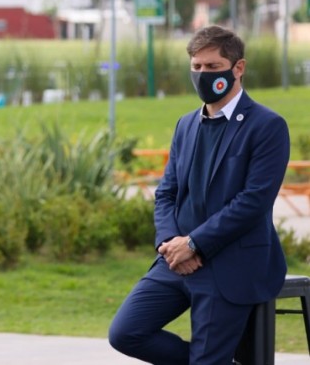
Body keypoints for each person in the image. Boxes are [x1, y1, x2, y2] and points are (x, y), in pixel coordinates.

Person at [108, 25, 290, 364]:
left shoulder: (267, 126)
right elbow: (166, 192)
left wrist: (195, 243)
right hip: (177, 261)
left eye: (212, 66)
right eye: (196, 67)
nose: (203, 74)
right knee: (125, 333)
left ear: (238, 68)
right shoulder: (186, 124)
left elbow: (253, 202)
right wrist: (170, 243)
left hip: (230, 264)